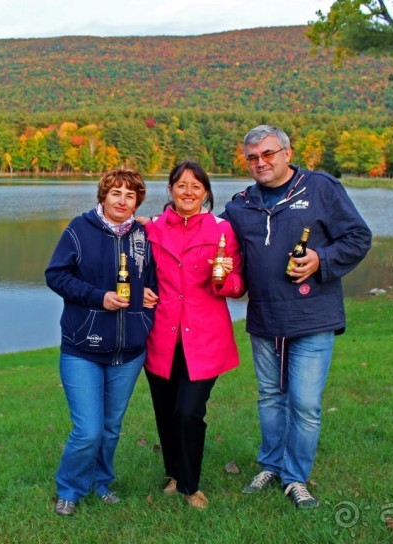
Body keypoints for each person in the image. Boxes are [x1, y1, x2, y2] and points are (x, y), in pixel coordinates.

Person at [221, 125, 372, 509]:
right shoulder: (241, 204)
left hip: (312, 317)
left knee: (304, 404)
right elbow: (210, 235)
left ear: (287, 153)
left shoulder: (320, 188)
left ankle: (295, 477)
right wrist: (156, 225)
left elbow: (357, 237)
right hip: (265, 318)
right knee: (270, 398)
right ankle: (271, 464)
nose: (261, 163)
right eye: (253, 157)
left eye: (268, 154)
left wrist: (321, 259)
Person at [45, 167, 156, 517]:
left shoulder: (143, 235)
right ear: (103, 196)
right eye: (116, 193)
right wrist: (98, 297)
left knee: (110, 428)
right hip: (83, 348)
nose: (122, 200)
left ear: (137, 200)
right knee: (88, 429)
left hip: (129, 349)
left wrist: (148, 297)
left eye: (130, 195)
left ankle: (100, 482)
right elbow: (56, 276)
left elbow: (151, 279)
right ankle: (70, 488)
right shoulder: (80, 230)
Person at [142, 161, 244, 510]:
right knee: (165, 410)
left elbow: (235, 287)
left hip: (205, 336)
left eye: (195, 187)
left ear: (206, 193)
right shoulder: (152, 228)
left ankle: (190, 485)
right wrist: (141, 291)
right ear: (170, 190)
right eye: (181, 185)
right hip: (161, 334)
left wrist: (224, 277)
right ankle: (173, 473)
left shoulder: (222, 230)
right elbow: (135, 270)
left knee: (188, 411)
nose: (188, 192)